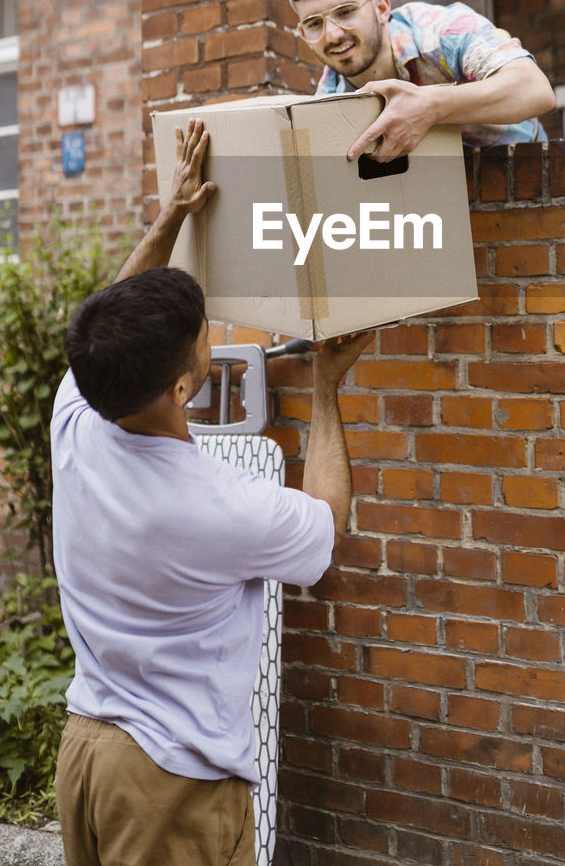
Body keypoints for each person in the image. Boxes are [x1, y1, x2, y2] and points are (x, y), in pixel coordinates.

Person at [51, 118, 371, 866]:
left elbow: (112, 315)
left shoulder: (77, 416)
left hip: (89, 754)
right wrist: (327, 390)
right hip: (171, 779)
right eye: (200, 334)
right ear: (182, 386)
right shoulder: (218, 505)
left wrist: (174, 211)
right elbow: (325, 525)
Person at [288, 0, 556, 163]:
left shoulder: (440, 31)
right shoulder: (329, 98)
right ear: (303, 35)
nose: (332, 34)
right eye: (314, 24)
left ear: (381, 8)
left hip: (526, 175)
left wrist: (430, 107)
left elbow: (535, 90)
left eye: (346, 12)